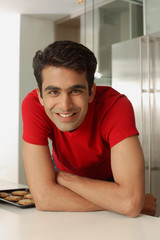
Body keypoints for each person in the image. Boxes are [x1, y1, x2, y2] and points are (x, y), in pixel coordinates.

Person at [22, 40, 154, 217]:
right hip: (69, 182)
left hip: (102, 182)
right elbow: (44, 198)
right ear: (40, 96)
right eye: (54, 92)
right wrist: (123, 203)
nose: (65, 105)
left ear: (91, 92)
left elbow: (129, 202)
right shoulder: (32, 106)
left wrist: (64, 179)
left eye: (75, 91)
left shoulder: (115, 106)